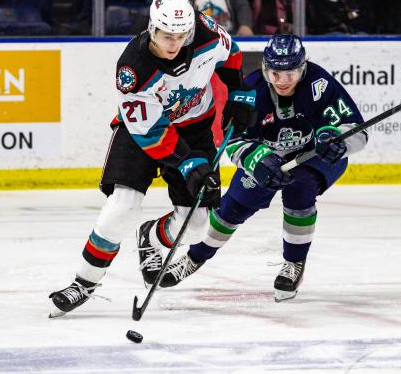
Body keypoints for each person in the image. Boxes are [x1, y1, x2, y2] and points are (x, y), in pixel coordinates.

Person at [48, 0, 257, 317]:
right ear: (151, 28)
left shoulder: (205, 31)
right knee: (122, 208)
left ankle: (152, 236)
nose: (174, 43)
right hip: (142, 134)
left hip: (196, 128)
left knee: (197, 224)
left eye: (181, 36)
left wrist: (240, 92)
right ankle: (84, 282)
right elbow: (151, 131)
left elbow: (231, 55)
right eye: (165, 36)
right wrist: (188, 164)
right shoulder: (134, 68)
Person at [158, 34, 369, 302]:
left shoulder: (320, 84)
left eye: (291, 72)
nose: (283, 81)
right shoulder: (252, 89)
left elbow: (356, 131)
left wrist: (337, 141)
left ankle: (294, 264)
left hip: (312, 156)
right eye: (276, 73)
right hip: (264, 157)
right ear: (266, 69)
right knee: (232, 209)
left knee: (300, 189)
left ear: (302, 67)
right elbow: (232, 141)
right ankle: (194, 258)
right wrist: (256, 160)